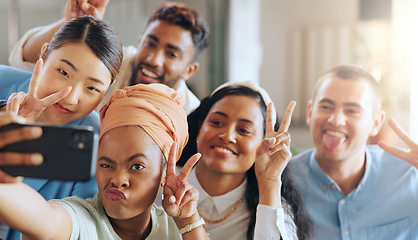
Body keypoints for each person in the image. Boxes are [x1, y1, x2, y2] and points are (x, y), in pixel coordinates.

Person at [0, 83, 210, 239]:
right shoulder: (82, 219)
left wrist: (188, 222)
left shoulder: (178, 227)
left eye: (137, 166)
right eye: (106, 164)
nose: (117, 179)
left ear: (165, 171)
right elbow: (43, 220)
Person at [0, 16, 123, 240]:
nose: (71, 97)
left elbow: (80, 219)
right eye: (64, 73)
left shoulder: (97, 139)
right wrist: (0, 116)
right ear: (44, 55)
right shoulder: (0, 81)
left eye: (92, 88)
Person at [10, 0, 210, 114]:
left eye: (171, 54)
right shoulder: (113, 63)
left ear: (190, 70)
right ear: (140, 41)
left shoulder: (191, 113)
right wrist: (72, 22)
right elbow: (22, 58)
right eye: (150, 43)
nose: (153, 59)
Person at [288, 64, 418, 239]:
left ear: (376, 123)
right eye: (326, 107)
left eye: (352, 111)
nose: (336, 120)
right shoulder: (282, 181)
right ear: (310, 112)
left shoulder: (410, 175)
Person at [177, 81, 312, 240]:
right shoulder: (161, 189)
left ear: (263, 143)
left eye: (243, 130)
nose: (227, 136)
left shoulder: (272, 208)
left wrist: (270, 181)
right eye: (217, 122)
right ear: (200, 127)